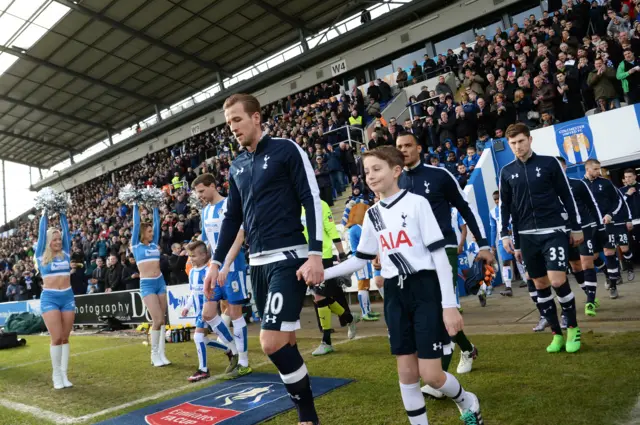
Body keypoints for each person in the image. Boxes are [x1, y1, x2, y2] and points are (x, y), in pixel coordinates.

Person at [321, 146, 484, 425]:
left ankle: (467, 401)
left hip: (424, 289)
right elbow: (360, 259)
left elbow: (439, 257)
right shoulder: (372, 214)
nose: (370, 176)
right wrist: (322, 273)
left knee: (432, 375)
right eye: (366, 171)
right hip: (395, 294)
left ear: (396, 171)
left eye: (377, 169)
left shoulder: (417, 203)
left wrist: (449, 307)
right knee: (407, 375)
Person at [207, 93, 324, 425]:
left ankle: (307, 415)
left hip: (289, 257)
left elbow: (311, 198)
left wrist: (315, 253)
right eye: (229, 123)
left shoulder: (286, 149)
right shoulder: (238, 165)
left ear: (256, 117)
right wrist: (216, 263)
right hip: (256, 262)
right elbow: (233, 218)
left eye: (237, 120)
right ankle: (308, 411)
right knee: (285, 339)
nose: (233, 128)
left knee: (270, 341)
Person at [396, 132, 494, 399]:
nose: (403, 150)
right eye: (399, 147)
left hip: (444, 250)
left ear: (419, 148)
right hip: (414, 255)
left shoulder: (440, 175)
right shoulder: (398, 180)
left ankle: (439, 380)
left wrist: (483, 243)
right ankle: (468, 348)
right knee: (426, 311)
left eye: (407, 145)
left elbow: (465, 208)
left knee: (442, 307)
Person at [499, 123, 583, 354]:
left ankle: (573, 328)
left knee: (557, 281)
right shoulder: (506, 171)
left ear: (530, 140)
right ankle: (556, 333)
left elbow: (567, 195)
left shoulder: (549, 163)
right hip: (526, 236)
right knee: (540, 284)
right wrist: (504, 234)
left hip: (553, 231)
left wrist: (575, 227)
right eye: (513, 143)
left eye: (521, 141)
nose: (518, 147)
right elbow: (505, 206)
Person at [193, 173, 251, 377]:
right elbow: (209, 242)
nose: (199, 195)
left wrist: (226, 265)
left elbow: (239, 237)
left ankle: (244, 361)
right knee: (208, 314)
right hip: (216, 267)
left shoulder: (230, 205)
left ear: (212, 186)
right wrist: (204, 263)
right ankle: (233, 349)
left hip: (233, 266)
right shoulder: (205, 212)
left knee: (235, 314)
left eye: (201, 191)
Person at [301, 200, 356, 356]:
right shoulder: (295, 207)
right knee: (319, 298)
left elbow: (331, 230)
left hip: (321, 257)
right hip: (305, 259)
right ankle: (350, 318)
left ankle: (326, 342)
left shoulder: (320, 205)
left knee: (319, 296)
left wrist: (342, 253)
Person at [182, 241, 241, 382]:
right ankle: (230, 351)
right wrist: (187, 307)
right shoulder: (191, 272)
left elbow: (214, 292)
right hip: (198, 312)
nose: (191, 259)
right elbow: (193, 292)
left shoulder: (209, 271)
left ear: (204, 255)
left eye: (194, 256)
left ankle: (203, 370)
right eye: (190, 256)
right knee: (205, 340)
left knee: (197, 337)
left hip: (206, 310)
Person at [556, 157, 604, 319]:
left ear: (565, 167)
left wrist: (601, 226)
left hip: (584, 227)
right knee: (575, 267)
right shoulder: (548, 188)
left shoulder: (578, 184)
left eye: (560, 166)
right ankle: (590, 294)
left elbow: (592, 205)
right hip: (564, 231)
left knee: (586, 262)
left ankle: (590, 301)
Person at [35, 208, 75, 389]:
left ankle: (65, 375)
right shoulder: (41, 256)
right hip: (50, 298)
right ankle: (56, 375)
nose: (58, 242)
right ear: (49, 241)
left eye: (60, 239)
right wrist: (44, 212)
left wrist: (62, 213)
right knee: (56, 337)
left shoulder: (66, 253)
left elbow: (66, 231)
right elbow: (41, 234)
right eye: (55, 239)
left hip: (67, 297)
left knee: (65, 338)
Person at [583, 159, 633, 298]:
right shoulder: (581, 185)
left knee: (609, 252)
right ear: (587, 169)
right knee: (593, 256)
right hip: (590, 226)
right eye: (595, 169)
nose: (598, 172)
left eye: (599, 169)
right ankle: (606, 273)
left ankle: (613, 284)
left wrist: (610, 214)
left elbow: (618, 201)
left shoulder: (605, 183)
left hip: (607, 224)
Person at [131, 203, 171, 367]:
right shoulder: (136, 245)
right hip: (147, 284)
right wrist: (135, 206)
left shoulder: (154, 243)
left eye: (152, 231)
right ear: (142, 233)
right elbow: (135, 224)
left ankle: (162, 353)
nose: (152, 232)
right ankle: (154, 354)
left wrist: (155, 207)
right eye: (148, 231)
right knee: (157, 319)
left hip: (160, 281)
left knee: (163, 320)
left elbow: (156, 222)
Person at [489, 190, 516, 297]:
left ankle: (529, 281)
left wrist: (513, 230)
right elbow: (493, 229)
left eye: (498, 198)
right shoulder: (492, 212)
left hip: (515, 237)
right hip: (502, 240)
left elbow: (518, 221)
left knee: (520, 260)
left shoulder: (511, 207)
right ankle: (508, 287)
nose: (496, 201)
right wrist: (492, 244)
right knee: (506, 261)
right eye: (494, 199)